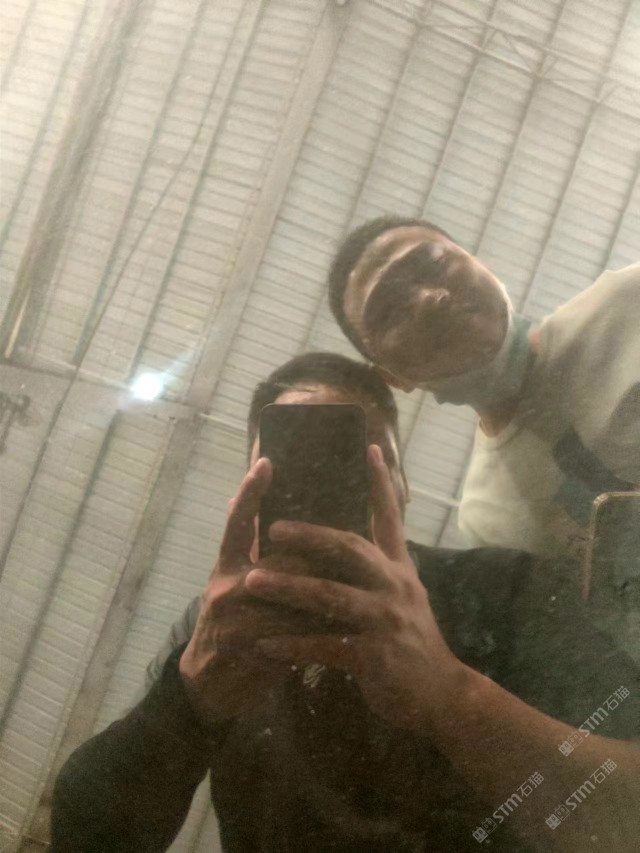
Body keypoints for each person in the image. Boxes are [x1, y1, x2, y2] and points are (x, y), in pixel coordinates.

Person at [51, 353, 640, 853]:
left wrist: (450, 694)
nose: (323, 486)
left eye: (362, 464)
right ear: (249, 494)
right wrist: (187, 701)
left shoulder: (504, 590)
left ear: (401, 486)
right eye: (288, 472)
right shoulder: (218, 631)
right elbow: (85, 837)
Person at [328, 216, 640, 563]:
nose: (430, 299)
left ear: (480, 262)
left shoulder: (630, 302)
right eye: (390, 313)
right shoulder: (489, 519)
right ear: (394, 379)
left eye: (435, 264)